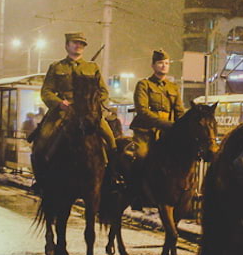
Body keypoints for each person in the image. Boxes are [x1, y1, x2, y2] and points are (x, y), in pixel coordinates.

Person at [35, 31, 116, 160]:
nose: (78, 46)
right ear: (67, 45)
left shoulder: (92, 67)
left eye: (82, 44)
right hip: (63, 112)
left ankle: (112, 173)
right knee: (43, 138)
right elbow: (46, 92)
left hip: (88, 112)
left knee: (110, 139)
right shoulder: (56, 67)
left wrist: (92, 103)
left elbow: (103, 91)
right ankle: (41, 174)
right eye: (75, 43)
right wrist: (59, 103)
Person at [129, 49, 185, 159]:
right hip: (146, 131)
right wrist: (163, 123)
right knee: (141, 155)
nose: (164, 66)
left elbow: (179, 111)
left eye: (166, 63)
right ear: (153, 65)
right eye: (160, 63)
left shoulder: (173, 87)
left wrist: (181, 127)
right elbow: (142, 111)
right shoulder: (144, 85)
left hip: (168, 132)